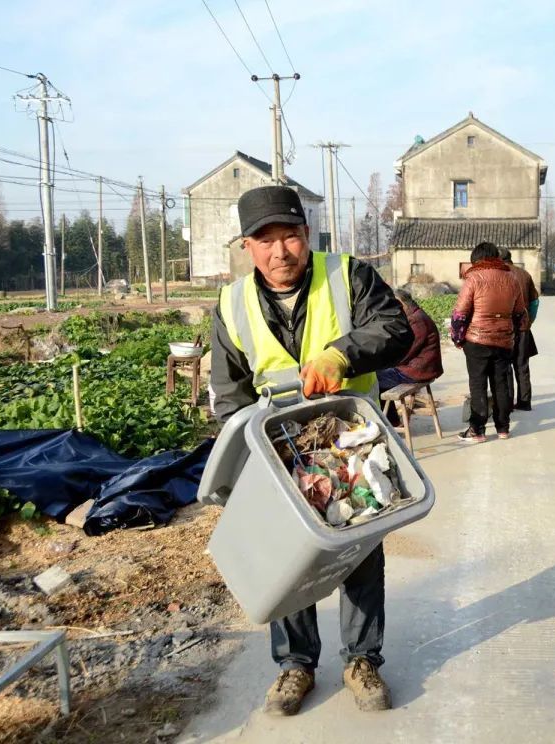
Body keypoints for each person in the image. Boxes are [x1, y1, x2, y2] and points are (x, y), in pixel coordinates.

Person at [209, 185, 413, 717]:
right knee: (288, 557)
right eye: (266, 240)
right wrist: (245, 460)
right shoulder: (231, 305)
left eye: (291, 236)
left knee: (359, 548)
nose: (281, 252)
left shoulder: (349, 275)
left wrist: (342, 354)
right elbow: (230, 393)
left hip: (352, 439)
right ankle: (295, 664)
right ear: (247, 247)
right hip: (278, 448)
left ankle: (361, 660)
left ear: (307, 236)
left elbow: (395, 330)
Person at [450, 241, 526, 442]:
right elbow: (520, 314)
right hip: (503, 341)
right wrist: (514, 334)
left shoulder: (473, 278)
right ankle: (503, 428)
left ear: (476, 259)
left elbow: (460, 313)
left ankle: (478, 430)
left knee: (478, 384)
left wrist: (457, 338)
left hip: (477, 341)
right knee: (501, 384)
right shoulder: (512, 278)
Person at [377, 289, 444, 424]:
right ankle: (393, 421)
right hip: (420, 368)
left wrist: (385, 360)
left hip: (418, 371)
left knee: (375, 381)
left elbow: (406, 351)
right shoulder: (415, 316)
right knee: (379, 375)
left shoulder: (416, 320)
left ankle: (390, 422)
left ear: (401, 303)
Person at [497, 247, 539, 411]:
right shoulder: (524, 274)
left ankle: (507, 404)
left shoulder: (498, 275)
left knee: (505, 367)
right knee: (522, 366)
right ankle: (524, 402)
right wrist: (530, 321)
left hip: (504, 329)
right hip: (523, 327)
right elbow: (535, 302)